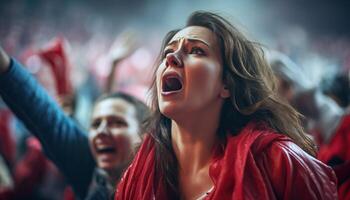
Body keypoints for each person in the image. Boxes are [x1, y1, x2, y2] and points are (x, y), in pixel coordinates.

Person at [115, 11, 338, 199]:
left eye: (196, 50)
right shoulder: (138, 173)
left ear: (227, 85)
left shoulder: (280, 164)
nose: (172, 57)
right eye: (167, 52)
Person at [0, 43, 150, 199]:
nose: (101, 132)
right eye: (95, 124)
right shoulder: (88, 167)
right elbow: (38, 108)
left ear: (145, 135)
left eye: (117, 123)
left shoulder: (164, 182)